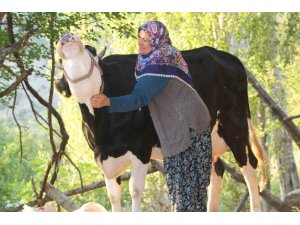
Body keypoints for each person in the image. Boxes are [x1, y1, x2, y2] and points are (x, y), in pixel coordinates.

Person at [91, 21, 212, 212]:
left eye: (146, 39)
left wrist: (109, 102)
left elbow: (140, 97)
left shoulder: (159, 65)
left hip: (187, 128)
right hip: (190, 121)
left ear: (157, 40)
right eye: (139, 37)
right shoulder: (164, 54)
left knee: (185, 192)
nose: (140, 42)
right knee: (188, 189)